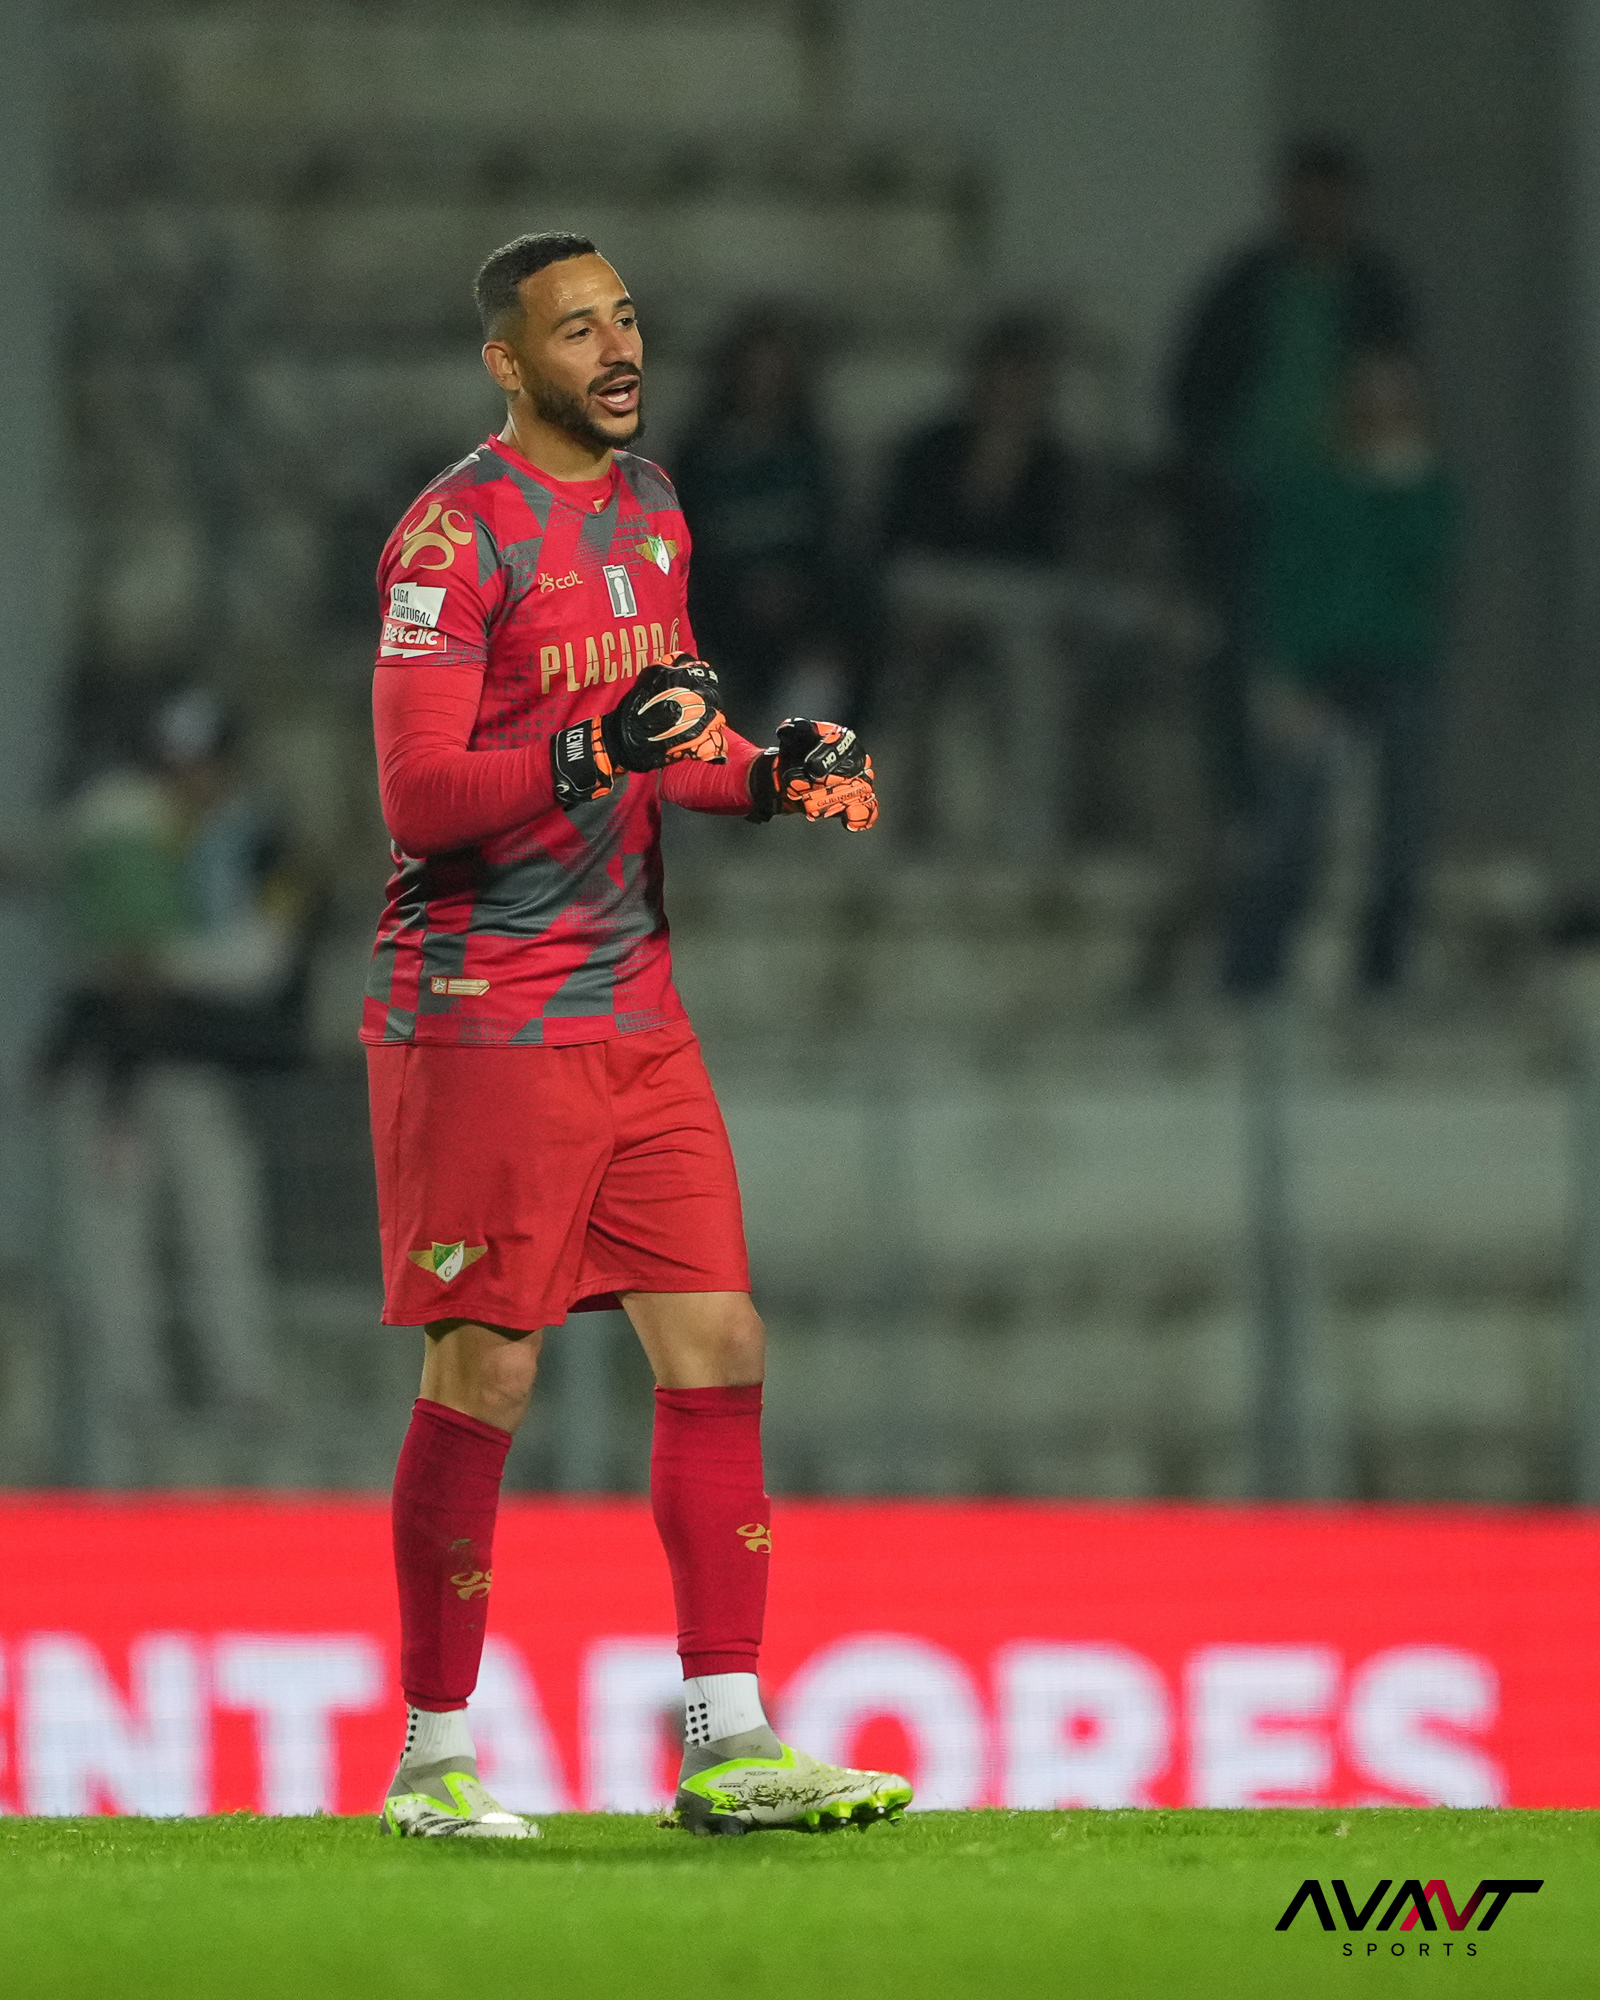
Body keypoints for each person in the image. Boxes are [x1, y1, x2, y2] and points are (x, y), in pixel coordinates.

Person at [366, 231, 905, 1839]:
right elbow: (420, 795)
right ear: (506, 362)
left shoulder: (655, 509)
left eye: (626, 321)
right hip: (484, 1008)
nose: (617, 351)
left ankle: (730, 1745)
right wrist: (595, 750)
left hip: (634, 1005)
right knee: (489, 1367)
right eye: (576, 330)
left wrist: (769, 776)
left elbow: (667, 743)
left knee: (721, 1343)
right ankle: (432, 1759)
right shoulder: (451, 538)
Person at [1147, 136, 1418, 990]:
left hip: (1343, 526)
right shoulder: (1247, 285)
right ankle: (1245, 812)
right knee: (1246, 678)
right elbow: (1192, 386)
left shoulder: (1375, 293)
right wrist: (1215, 478)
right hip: (1250, 516)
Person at [47, 685, 306, 1483]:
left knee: (222, 1237)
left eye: (203, 764)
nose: (189, 781)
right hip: (121, 1072)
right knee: (113, 1251)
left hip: (206, 1071)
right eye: (175, 765)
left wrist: (156, 964)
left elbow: (263, 961)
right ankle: (132, 1414)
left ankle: (246, 1407)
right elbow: (94, 943)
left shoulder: (261, 845)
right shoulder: (130, 830)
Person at [1220, 347, 1458, 994]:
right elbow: (1284, 582)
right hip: (1317, 670)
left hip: (1400, 667)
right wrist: (1284, 675)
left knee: (1401, 830)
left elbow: (1427, 560)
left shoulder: (1428, 486)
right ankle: (1252, 974)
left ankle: (1384, 977)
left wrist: (1400, 486)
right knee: (1291, 825)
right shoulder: (1310, 485)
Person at [670, 309, 848, 734]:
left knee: (818, 678)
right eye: (755, 371)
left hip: (801, 617)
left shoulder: (811, 455)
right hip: (717, 615)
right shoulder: (700, 456)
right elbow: (683, 547)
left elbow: (830, 545)